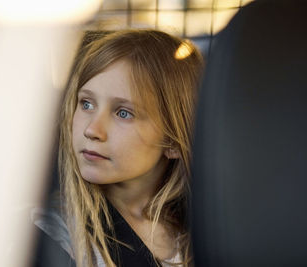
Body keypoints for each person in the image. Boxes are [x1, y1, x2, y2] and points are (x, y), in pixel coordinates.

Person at [34, 29, 203, 267]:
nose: (92, 130)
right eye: (86, 103)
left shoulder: (203, 234)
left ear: (173, 142)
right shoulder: (49, 235)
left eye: (123, 113)